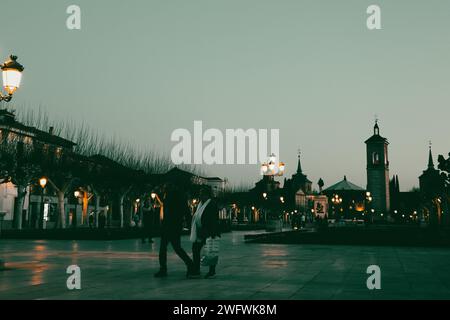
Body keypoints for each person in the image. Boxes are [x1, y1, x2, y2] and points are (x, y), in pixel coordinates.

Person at [154, 183, 194, 278]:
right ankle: (190, 265)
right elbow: (187, 213)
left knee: (166, 248)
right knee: (176, 248)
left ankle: (163, 269)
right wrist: (189, 225)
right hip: (175, 226)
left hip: (169, 226)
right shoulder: (179, 197)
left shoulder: (170, 197)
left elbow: (168, 211)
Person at [190, 187, 221, 279]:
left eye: (202, 194)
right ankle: (197, 269)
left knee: (211, 250)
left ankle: (212, 271)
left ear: (207, 195)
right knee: (195, 248)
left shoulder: (211, 204)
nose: (200, 195)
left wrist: (212, 233)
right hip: (200, 231)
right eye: (200, 193)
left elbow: (213, 219)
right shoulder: (200, 204)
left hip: (210, 231)